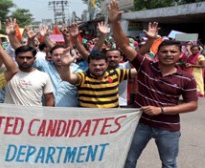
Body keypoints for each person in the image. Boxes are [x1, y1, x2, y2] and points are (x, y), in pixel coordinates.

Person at [108, 1, 198, 167]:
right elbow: (123, 45)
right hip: (141, 123)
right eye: (164, 51)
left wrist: (162, 110)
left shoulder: (186, 78)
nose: (168, 54)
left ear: (180, 55)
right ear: (158, 53)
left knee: (169, 163)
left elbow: (192, 105)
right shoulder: (145, 65)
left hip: (169, 127)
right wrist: (115, 22)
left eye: (173, 52)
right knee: (127, 160)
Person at [59, 48, 134, 108]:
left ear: (107, 64)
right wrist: (65, 65)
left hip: (112, 120)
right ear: (88, 65)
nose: (98, 67)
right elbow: (67, 77)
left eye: (101, 65)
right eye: (94, 65)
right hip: (91, 121)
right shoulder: (83, 77)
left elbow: (139, 71)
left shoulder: (116, 74)